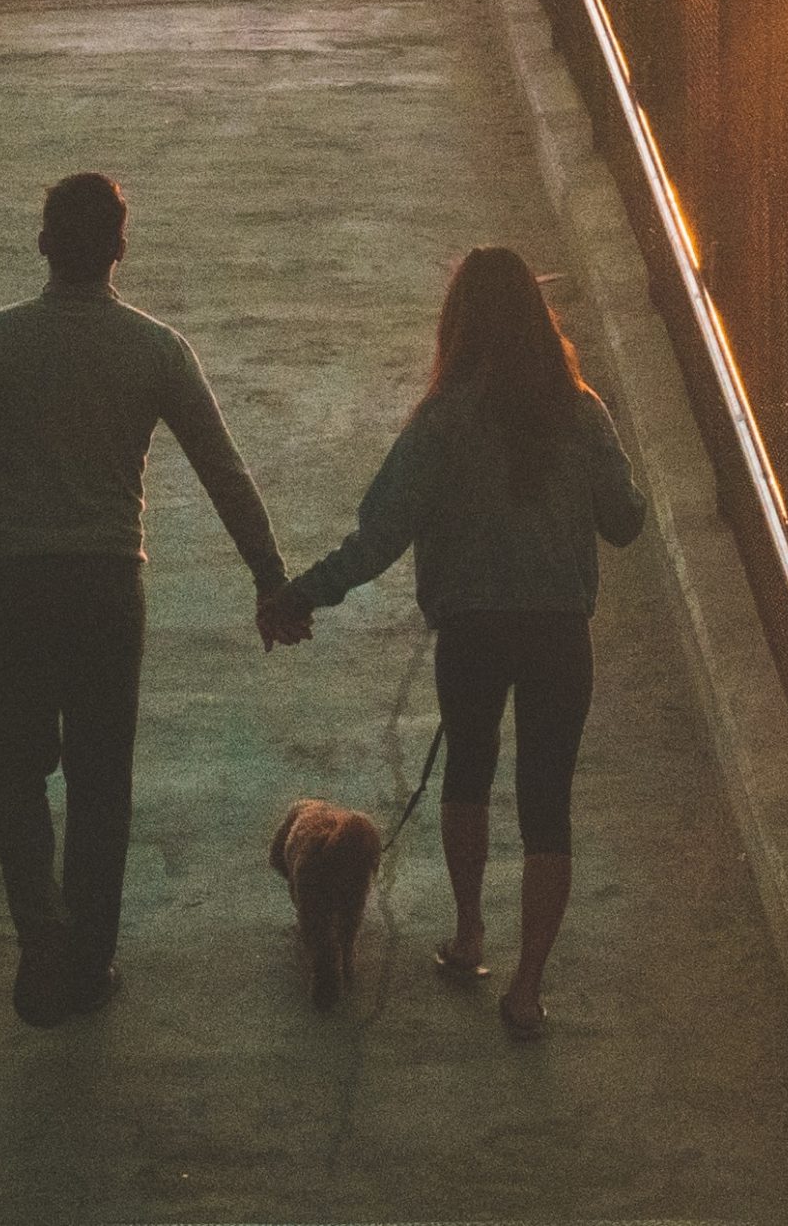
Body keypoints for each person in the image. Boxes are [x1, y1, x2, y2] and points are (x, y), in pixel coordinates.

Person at [0, 171, 306, 1027]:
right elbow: (225, 472)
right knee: (99, 781)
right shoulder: (155, 350)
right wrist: (270, 578)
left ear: (44, 242)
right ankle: (88, 964)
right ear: (120, 250)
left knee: (7, 769)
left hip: (10, 584)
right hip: (106, 586)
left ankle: (39, 925)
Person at [264, 246, 645, 1040]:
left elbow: (381, 535)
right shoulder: (580, 410)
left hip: (471, 629)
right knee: (549, 806)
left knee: (467, 775)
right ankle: (528, 990)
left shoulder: (441, 421)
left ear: (458, 324)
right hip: (558, 631)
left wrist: (302, 594)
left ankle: (470, 936)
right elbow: (625, 522)